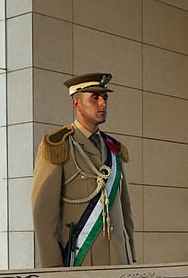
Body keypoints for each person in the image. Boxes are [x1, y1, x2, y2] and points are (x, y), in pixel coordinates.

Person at [31, 72, 136, 268]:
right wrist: (54, 269)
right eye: (95, 97)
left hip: (118, 261)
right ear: (77, 103)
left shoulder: (114, 148)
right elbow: (43, 214)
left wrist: (130, 253)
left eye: (105, 97)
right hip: (83, 260)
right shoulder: (58, 146)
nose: (103, 103)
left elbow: (125, 209)